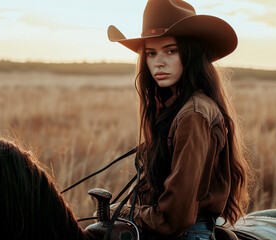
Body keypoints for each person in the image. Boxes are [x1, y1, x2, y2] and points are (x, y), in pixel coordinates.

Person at [107, 0, 251, 239]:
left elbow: (174, 217)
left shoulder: (194, 115)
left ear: (190, 54)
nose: (158, 62)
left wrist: (122, 212)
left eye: (170, 51)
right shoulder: (174, 108)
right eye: (151, 53)